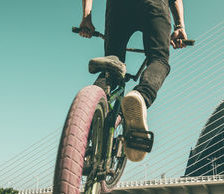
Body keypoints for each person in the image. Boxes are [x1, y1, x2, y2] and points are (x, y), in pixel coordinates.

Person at [79, 0, 189, 162]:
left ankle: (84, 125)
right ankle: (141, 95)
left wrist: (86, 18)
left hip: (118, 7)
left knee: (111, 66)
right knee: (159, 60)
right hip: (154, 5)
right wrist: (180, 26)